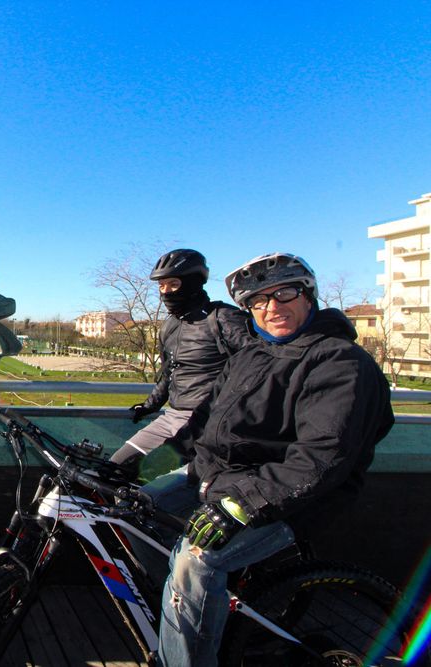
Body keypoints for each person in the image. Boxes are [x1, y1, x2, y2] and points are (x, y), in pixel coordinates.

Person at [144, 252, 394, 666]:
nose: (271, 308)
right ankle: (194, 620)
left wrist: (241, 507)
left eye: (284, 294)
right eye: (258, 302)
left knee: (197, 561)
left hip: (290, 497)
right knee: (138, 511)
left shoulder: (340, 363)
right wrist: (150, 464)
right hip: (222, 477)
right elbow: (206, 420)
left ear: (309, 295)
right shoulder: (251, 354)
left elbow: (322, 456)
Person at [110, 249, 252, 479]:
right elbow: (169, 372)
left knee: (157, 485)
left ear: (193, 283)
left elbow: (261, 367)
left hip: (209, 423)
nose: (166, 292)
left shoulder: (223, 318)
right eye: (161, 286)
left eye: (173, 284)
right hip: (171, 416)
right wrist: (149, 405)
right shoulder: (169, 326)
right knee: (115, 470)